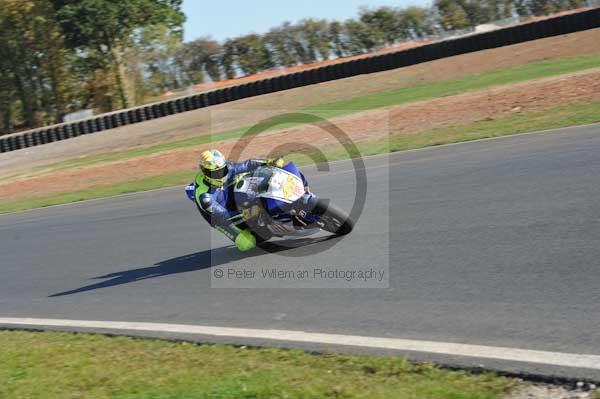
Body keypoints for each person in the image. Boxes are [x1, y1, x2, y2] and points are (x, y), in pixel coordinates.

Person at [185, 149, 312, 251]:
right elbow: (223, 216)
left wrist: (269, 162)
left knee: (257, 181)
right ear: (205, 172)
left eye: (222, 170)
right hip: (221, 217)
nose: (221, 174)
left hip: (229, 192)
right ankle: (267, 230)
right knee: (246, 243)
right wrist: (249, 211)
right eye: (216, 173)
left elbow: (247, 164)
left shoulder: (226, 168)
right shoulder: (204, 197)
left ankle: (293, 196)